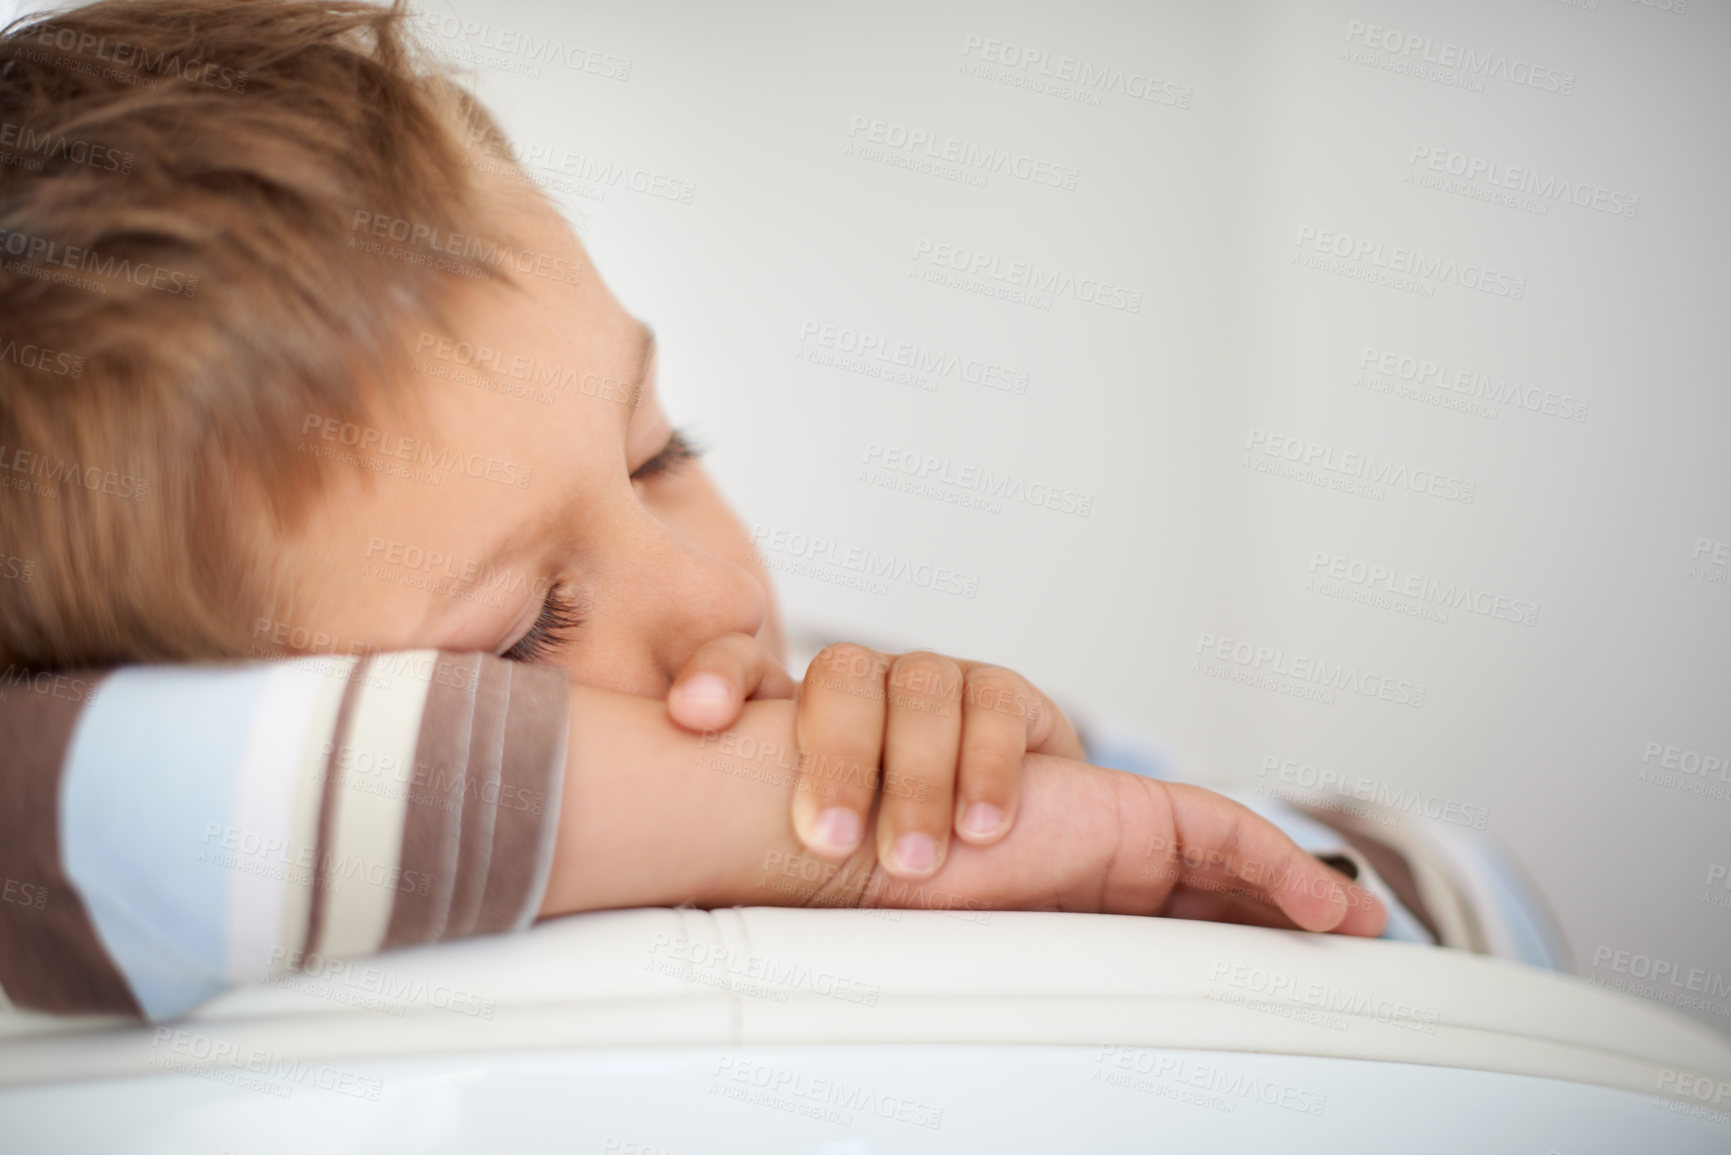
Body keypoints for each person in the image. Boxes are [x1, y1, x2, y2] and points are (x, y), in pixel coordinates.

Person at [1, 0, 1449, 1022]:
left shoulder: (892, 734)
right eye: (521, 639)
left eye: (657, 453)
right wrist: (801, 835)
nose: (717, 597)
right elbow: (50, 820)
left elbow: (1479, 920)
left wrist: (1117, 871)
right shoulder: (810, 787)